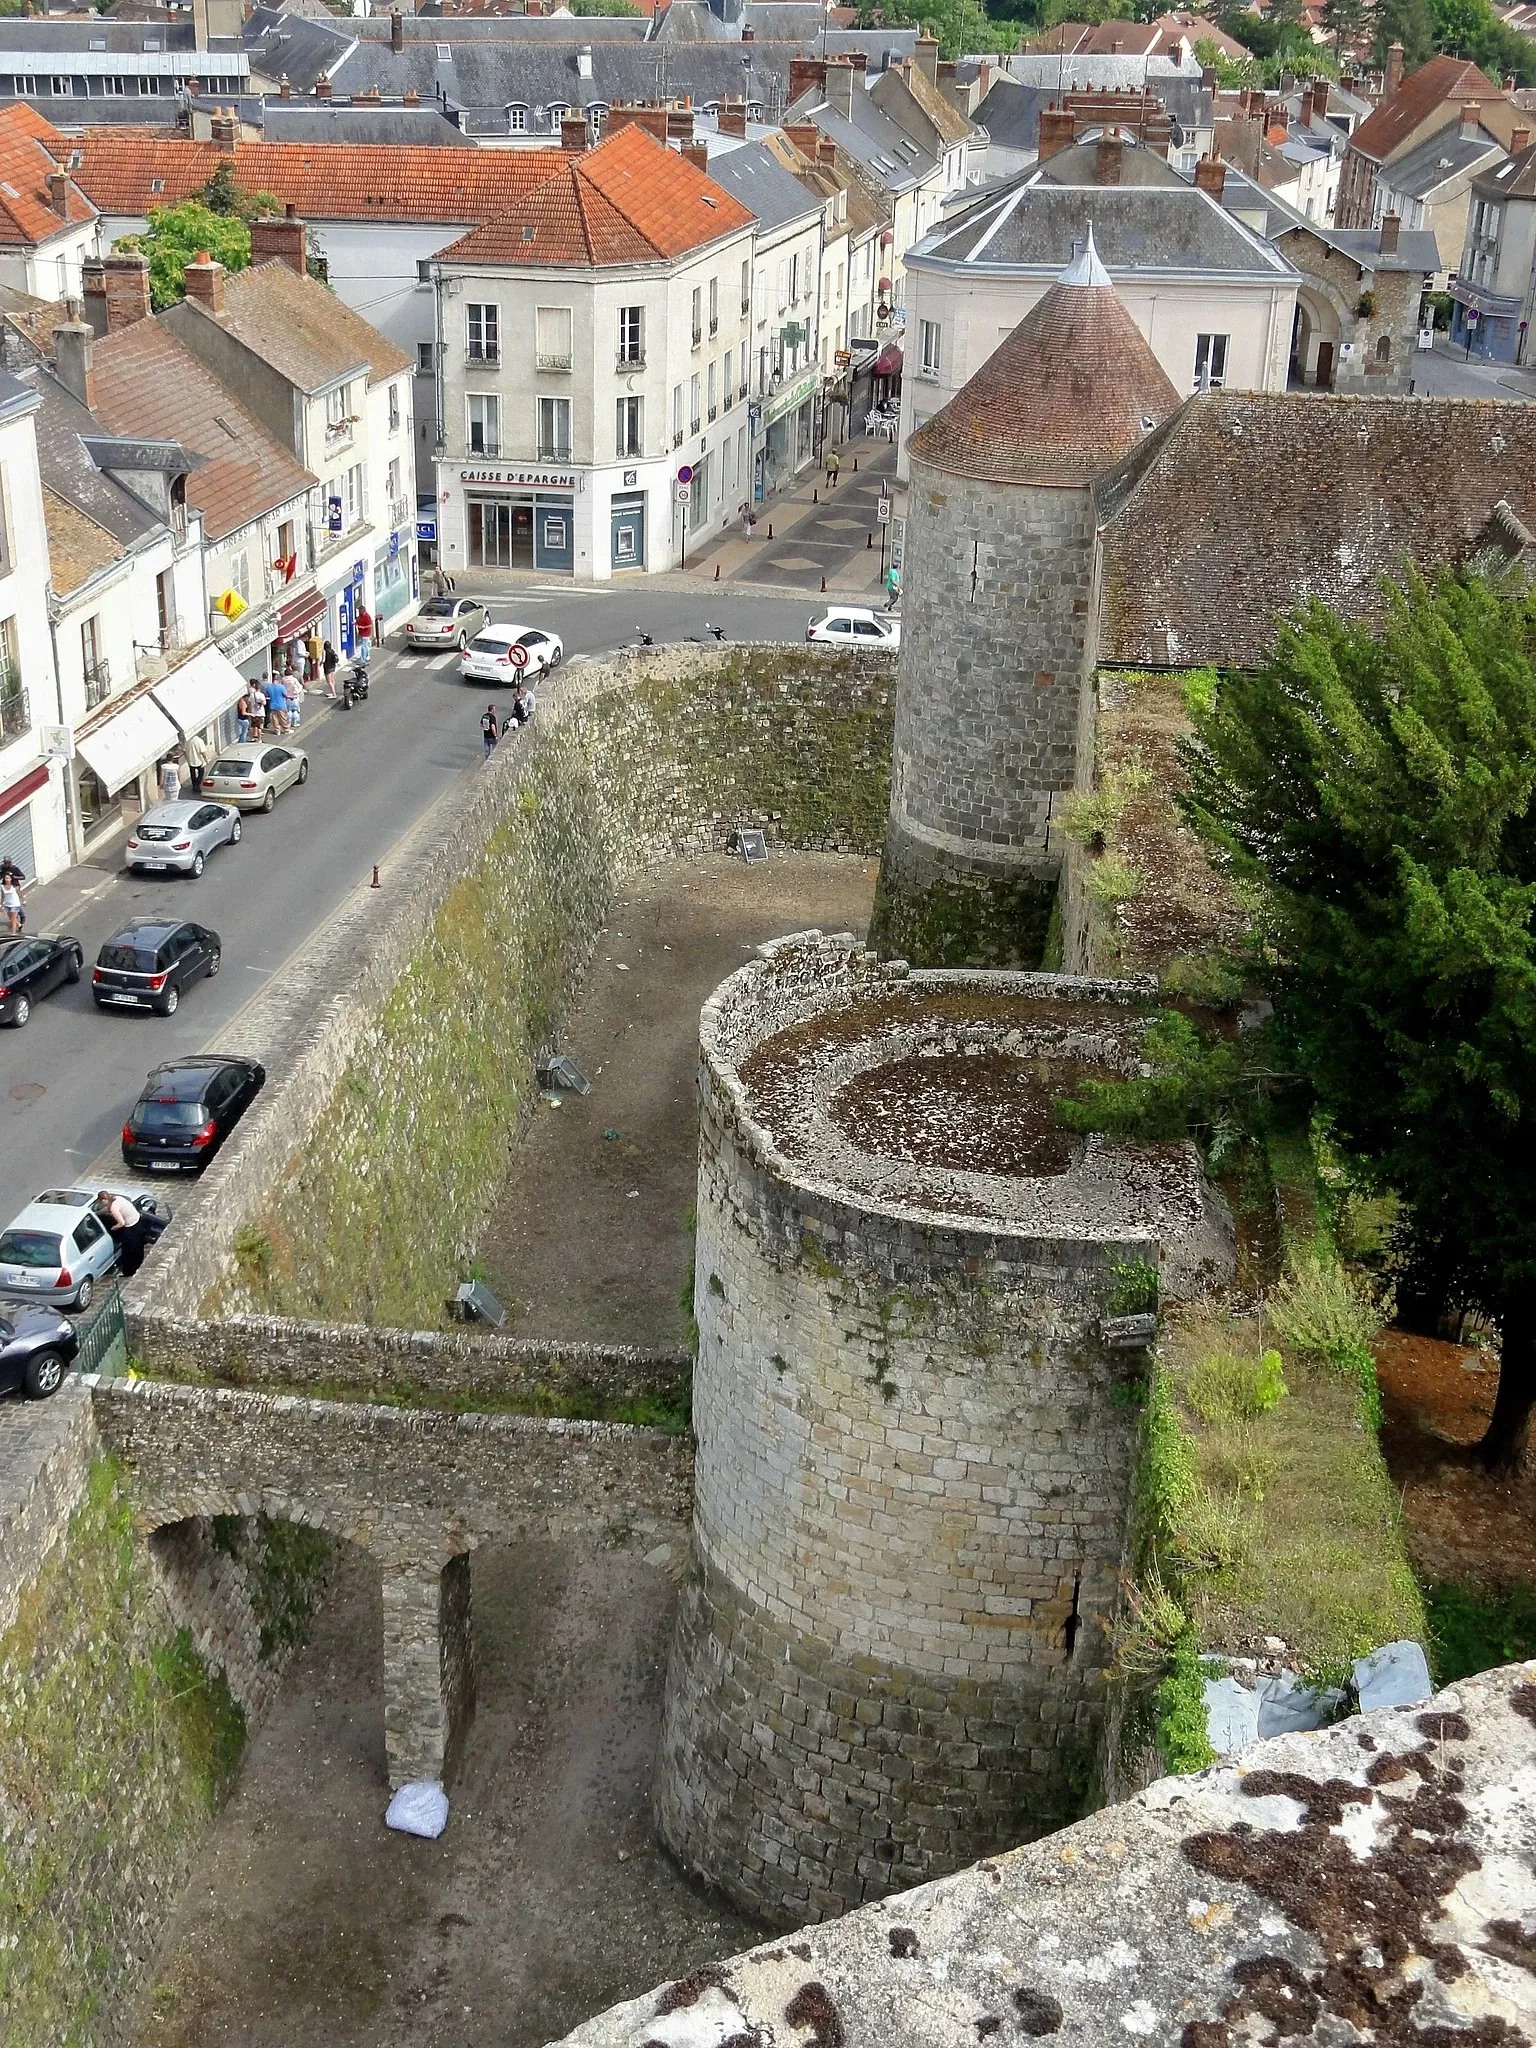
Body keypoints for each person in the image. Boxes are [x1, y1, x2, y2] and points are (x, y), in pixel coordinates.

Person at [95, 1188, 148, 1278]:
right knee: (138, 1246)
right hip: (138, 1221)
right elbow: (106, 1209)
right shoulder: (117, 1198)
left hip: (131, 1227)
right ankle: (139, 1265)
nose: (101, 1204)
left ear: (104, 1200)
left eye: (101, 1202)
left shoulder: (114, 1208)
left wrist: (113, 1228)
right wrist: (98, 1213)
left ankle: (129, 1272)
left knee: (128, 1251)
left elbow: (121, 1223)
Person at [182, 727, 208, 793]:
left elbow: (184, 751)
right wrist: (206, 760)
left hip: (190, 761)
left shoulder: (187, 741)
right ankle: (197, 785)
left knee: (192, 775)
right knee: (201, 773)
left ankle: (194, 786)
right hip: (198, 761)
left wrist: (187, 758)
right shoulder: (199, 740)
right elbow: (203, 752)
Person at [1, 862, 22, 935]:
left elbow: (19, 893)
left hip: (15, 904)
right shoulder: (2, 886)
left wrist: (23, 901)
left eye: (8, 878)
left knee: (13, 919)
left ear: (11, 879)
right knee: (11, 918)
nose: (7, 879)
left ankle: (13, 933)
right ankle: (19, 924)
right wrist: (2, 905)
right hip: (7, 904)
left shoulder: (14, 886)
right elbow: (3, 896)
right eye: (6, 878)